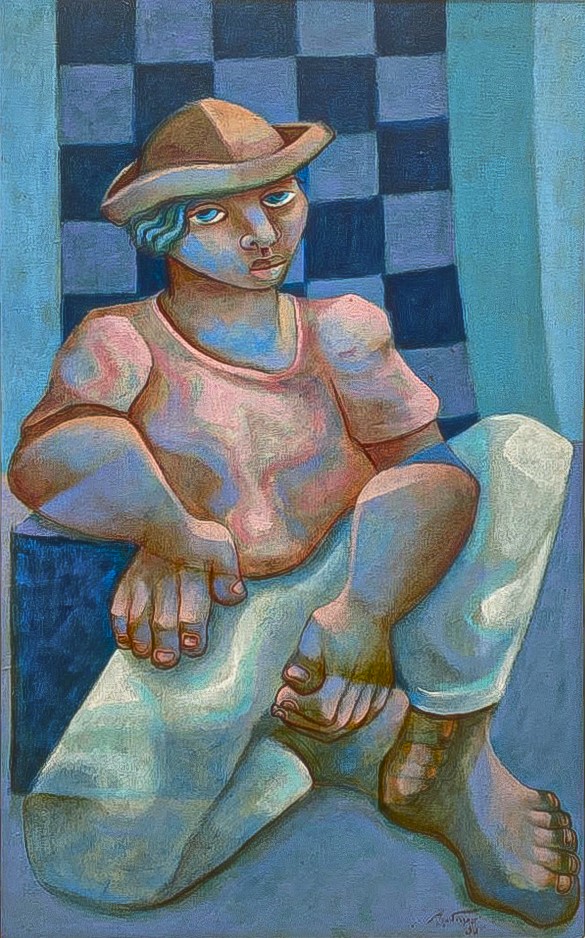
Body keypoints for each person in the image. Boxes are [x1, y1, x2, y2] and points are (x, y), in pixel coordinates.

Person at [8, 98, 579, 926]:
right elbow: (48, 457)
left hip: (355, 585)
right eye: (214, 213)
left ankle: (449, 748)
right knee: (95, 866)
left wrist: (363, 614)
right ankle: (312, 753)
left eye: (277, 196)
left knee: (520, 451)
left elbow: (430, 479)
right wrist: (166, 527)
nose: (261, 232)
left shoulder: (342, 332)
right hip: (218, 617)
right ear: (164, 230)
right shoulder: (120, 340)